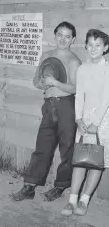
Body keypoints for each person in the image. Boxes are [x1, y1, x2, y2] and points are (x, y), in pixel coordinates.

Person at [10, 21, 81, 202]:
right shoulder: (46, 56)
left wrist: (56, 83)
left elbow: (75, 88)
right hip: (48, 106)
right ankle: (30, 186)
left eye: (67, 36)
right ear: (54, 35)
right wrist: (41, 83)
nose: (63, 39)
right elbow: (36, 80)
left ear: (72, 39)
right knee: (42, 147)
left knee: (67, 149)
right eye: (60, 35)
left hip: (67, 106)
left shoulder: (74, 60)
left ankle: (60, 186)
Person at [61, 29, 109, 216]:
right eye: (90, 44)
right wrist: (78, 118)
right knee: (80, 160)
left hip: (103, 120)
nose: (93, 48)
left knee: (96, 160)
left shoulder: (107, 69)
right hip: (84, 119)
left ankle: (84, 200)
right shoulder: (82, 68)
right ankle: (72, 200)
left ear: (106, 48)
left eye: (98, 45)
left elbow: (106, 98)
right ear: (86, 46)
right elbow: (79, 95)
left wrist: (96, 123)